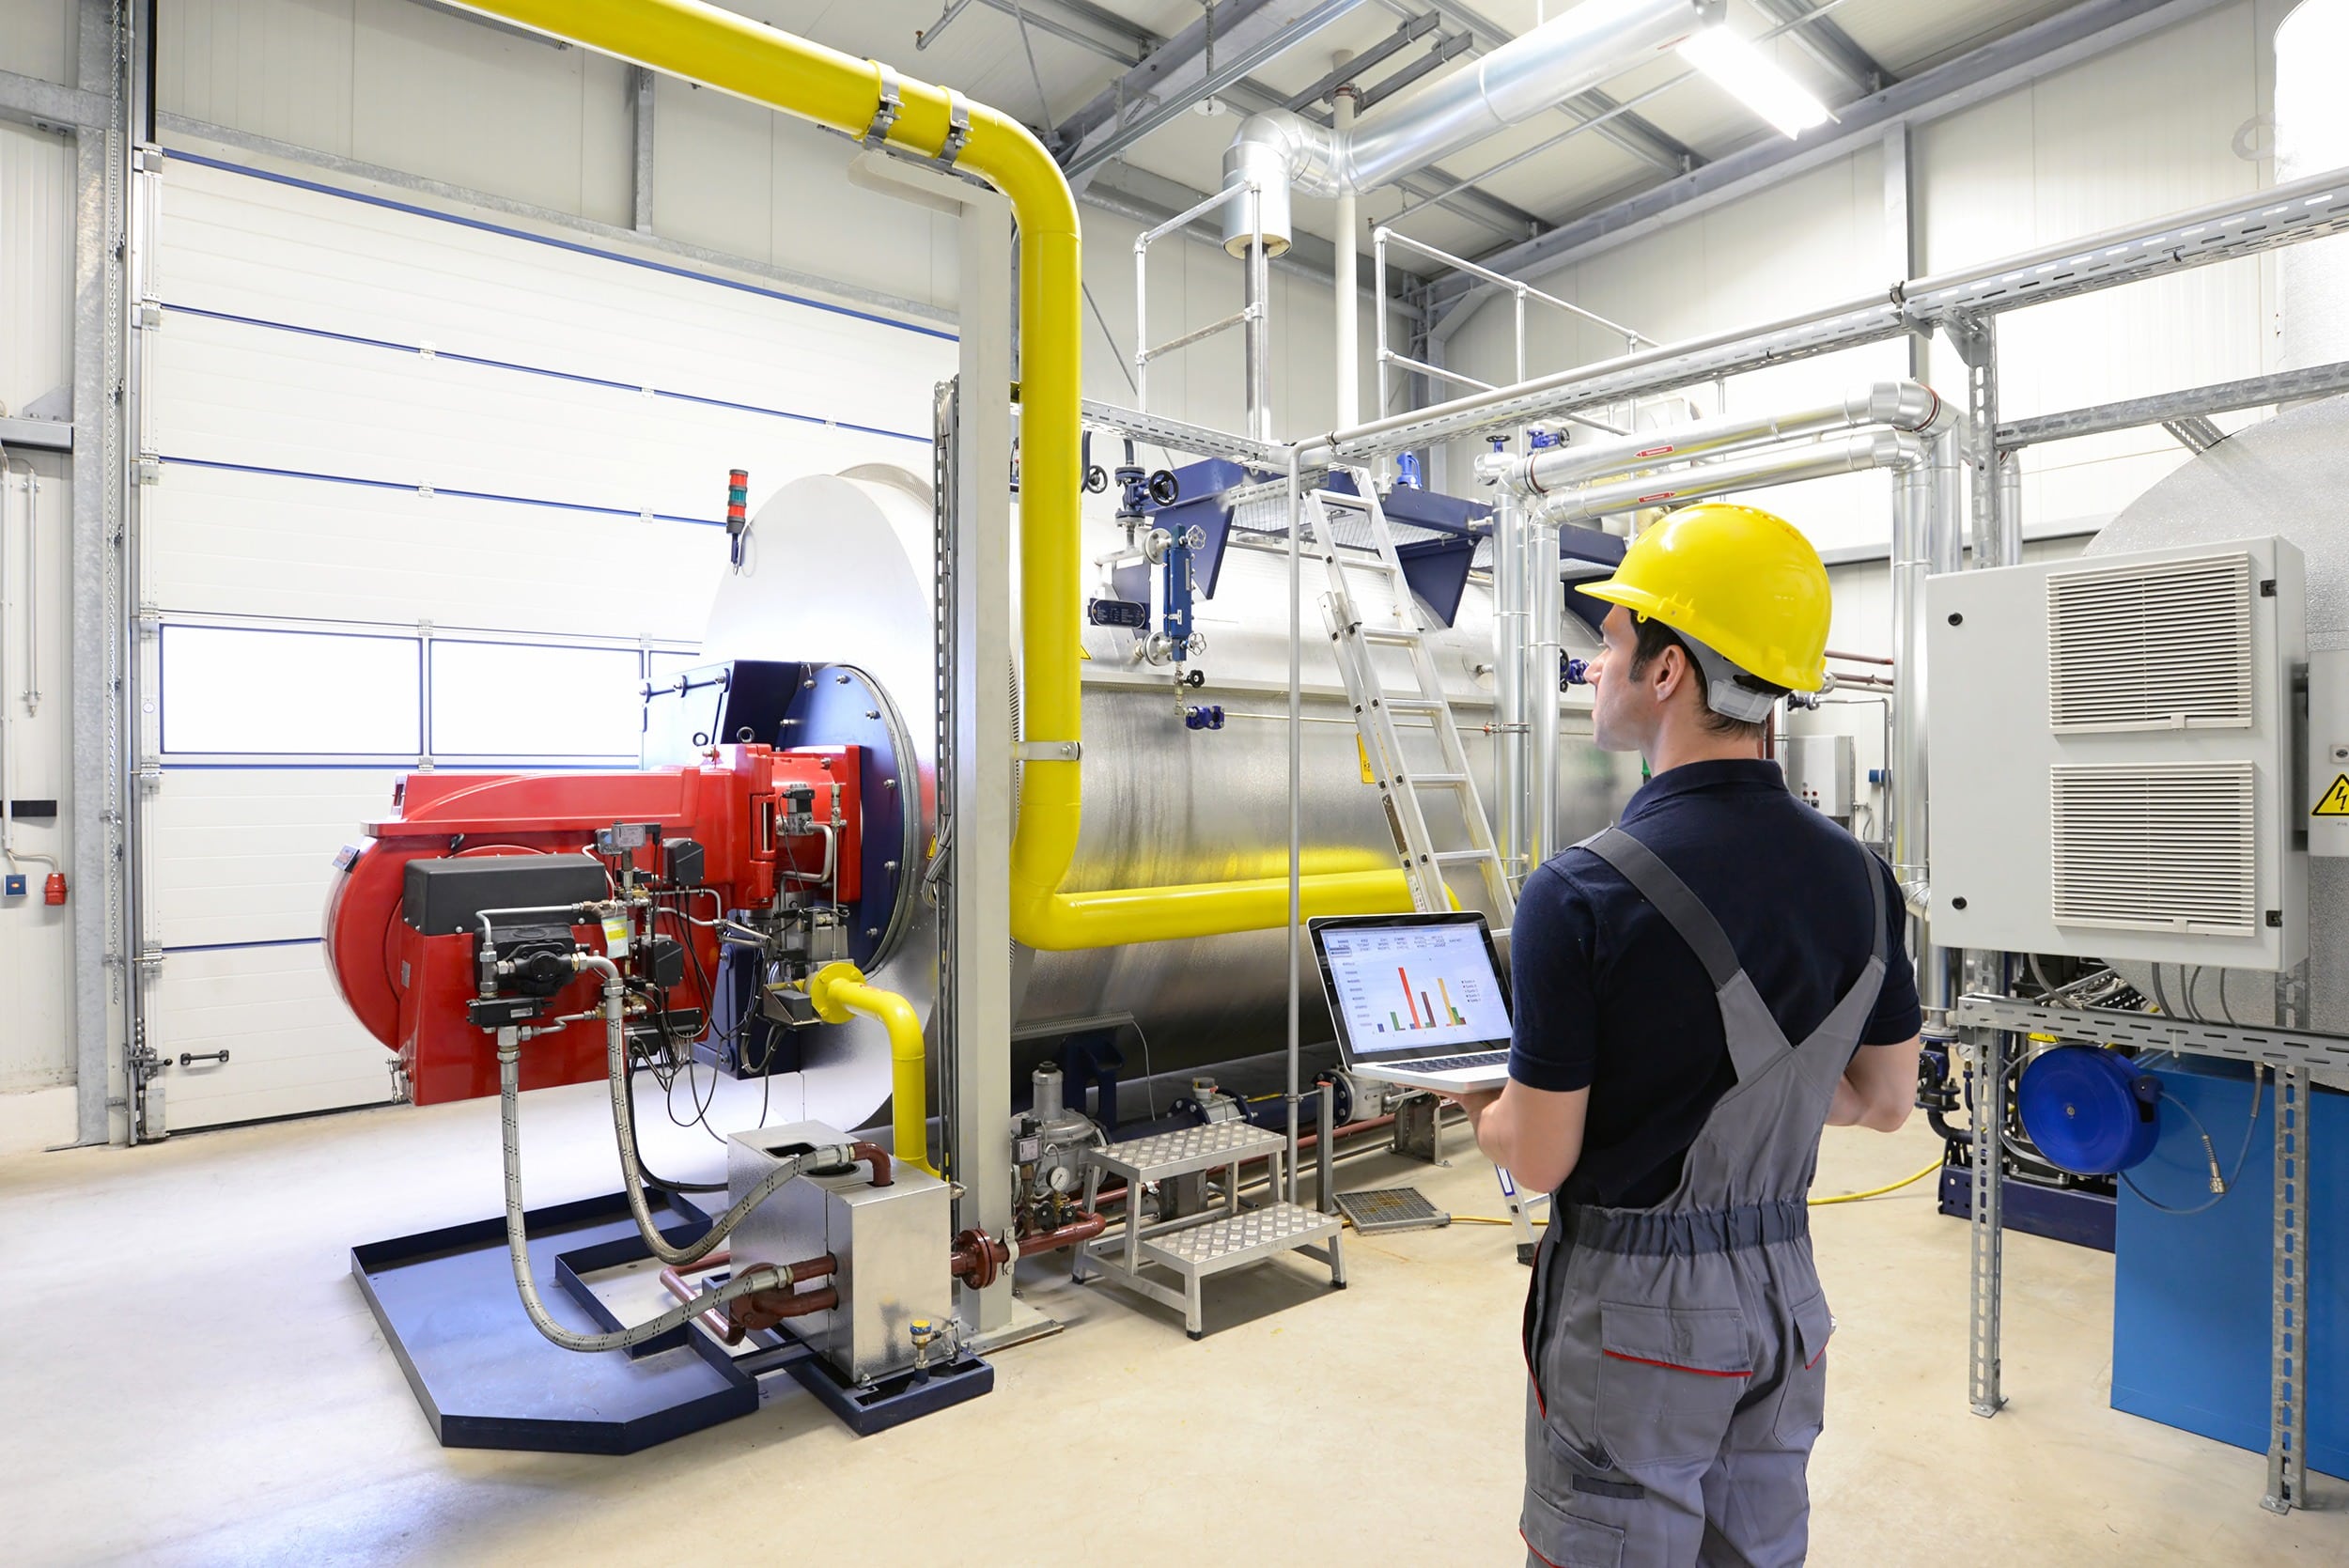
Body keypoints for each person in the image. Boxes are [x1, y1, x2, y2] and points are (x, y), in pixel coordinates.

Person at [1450, 502, 1922, 1568]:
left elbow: (1542, 1154)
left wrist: (1489, 1111)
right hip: (1782, 1300)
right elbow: (1885, 1100)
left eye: (1610, 642)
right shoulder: (1863, 877)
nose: (1591, 668)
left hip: (1632, 1315)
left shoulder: (1576, 892)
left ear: (1668, 673)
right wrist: (1752, 1092)